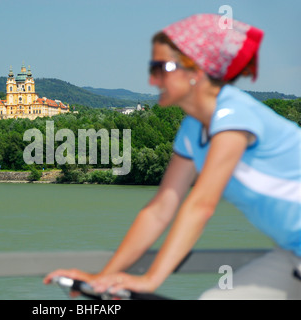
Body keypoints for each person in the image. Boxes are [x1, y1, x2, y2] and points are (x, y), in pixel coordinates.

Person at [44, 13, 301, 299]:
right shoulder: (192, 128)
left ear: (196, 71)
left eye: (160, 68)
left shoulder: (233, 115)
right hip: (293, 254)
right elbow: (161, 208)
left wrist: (152, 279)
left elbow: (201, 205)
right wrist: (103, 278)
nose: (152, 79)